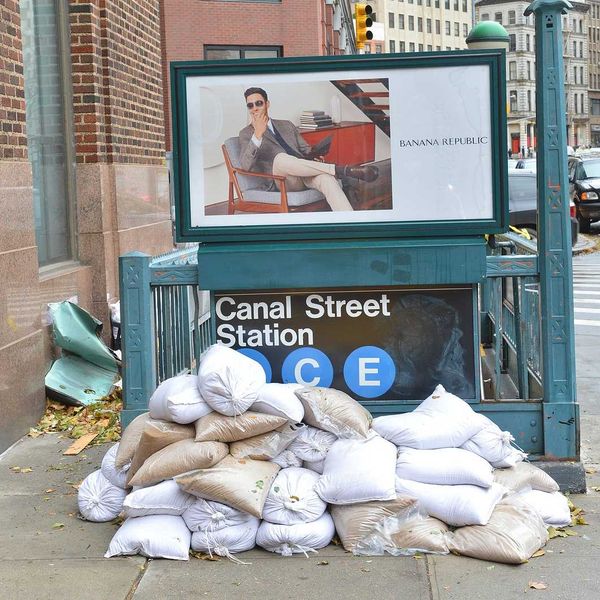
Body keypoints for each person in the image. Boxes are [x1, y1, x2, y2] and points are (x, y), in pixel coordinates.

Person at [238, 87, 379, 212]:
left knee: (327, 179)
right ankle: (343, 170)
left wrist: (315, 155)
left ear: (267, 104)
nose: (255, 108)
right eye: (250, 106)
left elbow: (305, 149)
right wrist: (257, 135)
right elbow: (245, 165)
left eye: (259, 103)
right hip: (283, 181)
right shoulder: (246, 134)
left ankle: (350, 225)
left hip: (305, 172)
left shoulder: (286, 125)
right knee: (280, 158)